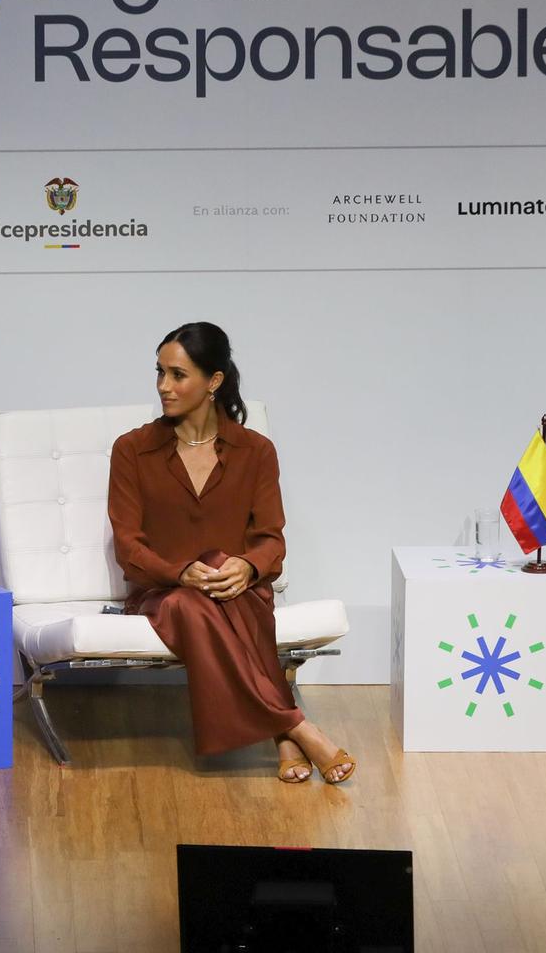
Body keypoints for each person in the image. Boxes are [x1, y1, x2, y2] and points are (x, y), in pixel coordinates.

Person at [106, 322, 355, 784]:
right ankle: (295, 726)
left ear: (213, 382)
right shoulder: (133, 450)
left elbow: (271, 540)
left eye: (177, 375)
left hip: (238, 595)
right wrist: (182, 573)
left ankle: (284, 738)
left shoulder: (256, 451)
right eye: (159, 372)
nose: (164, 386)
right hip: (164, 595)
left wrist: (248, 565)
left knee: (226, 571)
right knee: (191, 602)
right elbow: (129, 548)